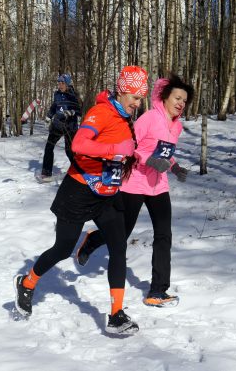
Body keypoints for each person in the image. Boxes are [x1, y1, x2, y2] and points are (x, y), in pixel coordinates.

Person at [13, 65, 149, 335]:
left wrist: (135, 155)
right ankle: (26, 283)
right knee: (63, 248)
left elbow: (120, 150)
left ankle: (116, 315)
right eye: (134, 97)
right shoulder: (102, 112)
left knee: (119, 247)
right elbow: (79, 145)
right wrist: (114, 150)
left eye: (140, 98)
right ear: (122, 91)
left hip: (106, 194)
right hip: (78, 190)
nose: (137, 103)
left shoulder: (124, 118)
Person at [76, 74, 194, 308]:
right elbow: (131, 146)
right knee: (122, 233)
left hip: (158, 185)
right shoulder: (149, 118)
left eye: (184, 100)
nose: (181, 103)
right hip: (134, 182)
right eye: (177, 98)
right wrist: (147, 160)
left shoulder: (176, 125)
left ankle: (158, 291)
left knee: (164, 235)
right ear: (165, 98)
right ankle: (93, 239)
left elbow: (164, 153)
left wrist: (175, 166)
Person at [40, 74, 81, 181]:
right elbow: (54, 107)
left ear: (67, 84)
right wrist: (48, 117)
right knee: (49, 147)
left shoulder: (74, 95)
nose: (60, 85)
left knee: (69, 151)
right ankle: (46, 172)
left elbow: (79, 111)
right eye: (58, 83)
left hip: (70, 127)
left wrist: (71, 112)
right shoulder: (57, 94)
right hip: (57, 125)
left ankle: (78, 170)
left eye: (62, 83)